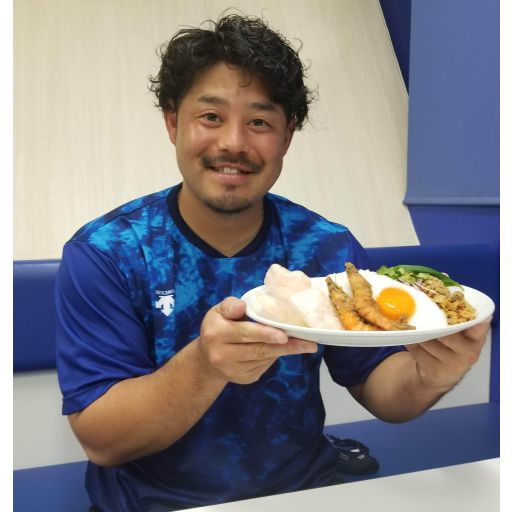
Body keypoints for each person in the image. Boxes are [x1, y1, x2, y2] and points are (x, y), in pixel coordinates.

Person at [55, 13, 490, 512]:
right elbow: (103, 440)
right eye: (211, 117)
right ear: (173, 122)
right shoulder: (108, 252)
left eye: (259, 122)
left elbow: (383, 393)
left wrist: (434, 374)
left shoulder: (327, 248)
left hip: (305, 493)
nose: (234, 144)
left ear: (287, 135)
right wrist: (205, 364)